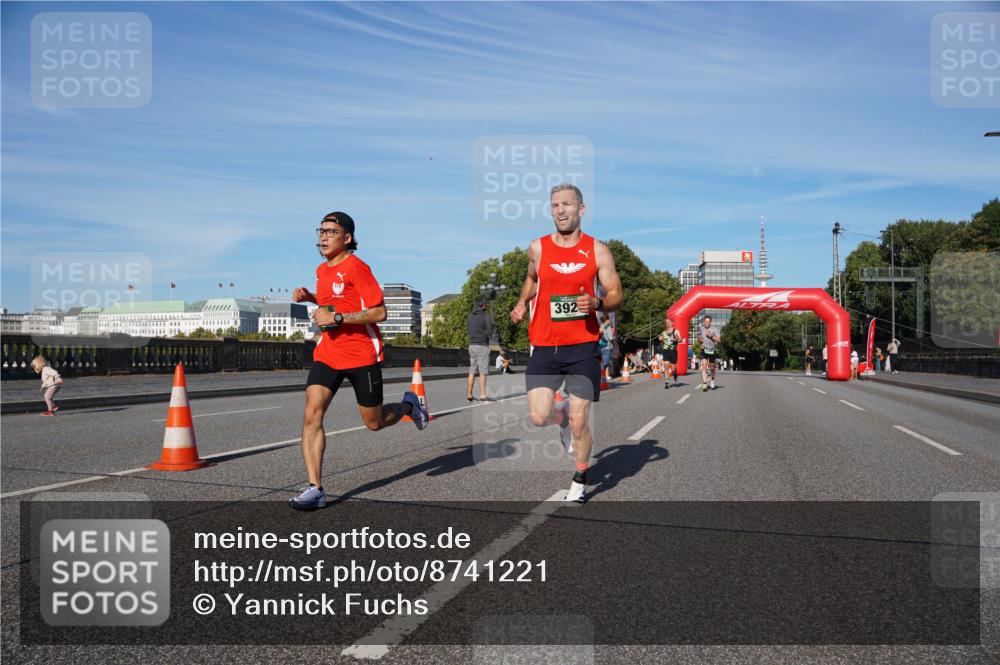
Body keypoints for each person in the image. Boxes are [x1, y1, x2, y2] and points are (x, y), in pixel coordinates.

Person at [289, 211, 429, 510]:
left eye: (330, 231)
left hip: (361, 353)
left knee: (374, 423)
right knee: (312, 413)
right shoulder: (322, 270)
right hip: (328, 353)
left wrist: (337, 317)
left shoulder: (358, 268)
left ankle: (410, 405)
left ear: (347, 238)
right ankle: (315, 489)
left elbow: (379, 312)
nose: (323, 236)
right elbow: (334, 302)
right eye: (321, 231)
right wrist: (311, 297)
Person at [510, 184, 623, 503]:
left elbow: (616, 294)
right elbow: (532, 279)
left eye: (567, 205)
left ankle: (580, 478)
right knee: (538, 416)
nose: (560, 210)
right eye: (555, 205)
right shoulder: (538, 248)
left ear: (581, 210)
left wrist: (597, 304)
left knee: (579, 421)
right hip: (544, 346)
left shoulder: (598, 250)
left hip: (583, 348)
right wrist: (521, 303)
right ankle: (559, 416)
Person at [467, 297, 496, 401]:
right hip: (482, 345)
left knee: (472, 370)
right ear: (484, 305)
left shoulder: (470, 316)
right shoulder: (486, 317)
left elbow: (469, 330)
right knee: (482, 371)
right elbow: (490, 333)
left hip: (472, 345)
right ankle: (483, 395)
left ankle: (469, 395)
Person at [656, 316, 683, 389]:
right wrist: (660, 338)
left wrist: (675, 339)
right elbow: (660, 338)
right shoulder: (664, 332)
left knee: (673, 368)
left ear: (672, 323)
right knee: (666, 367)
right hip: (666, 351)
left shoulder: (676, 331)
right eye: (666, 323)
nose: (667, 324)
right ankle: (666, 382)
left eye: (669, 322)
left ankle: (675, 374)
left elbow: (680, 340)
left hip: (673, 351)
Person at [697, 315, 721, 391]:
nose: (706, 323)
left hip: (712, 349)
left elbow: (719, 340)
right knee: (704, 367)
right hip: (704, 349)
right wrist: (700, 339)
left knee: (712, 367)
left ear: (710, 322)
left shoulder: (715, 329)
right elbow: (700, 337)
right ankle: (704, 384)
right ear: (704, 322)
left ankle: (712, 380)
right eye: (705, 321)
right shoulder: (701, 328)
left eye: (708, 321)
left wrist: (711, 336)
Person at [599, 313, 615, 381]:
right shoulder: (608, 326)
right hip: (606, 347)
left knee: (601, 362)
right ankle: (601, 378)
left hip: (600, 346)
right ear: (607, 319)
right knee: (605, 363)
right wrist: (614, 337)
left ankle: (602, 378)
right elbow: (610, 338)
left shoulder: (600, 326)